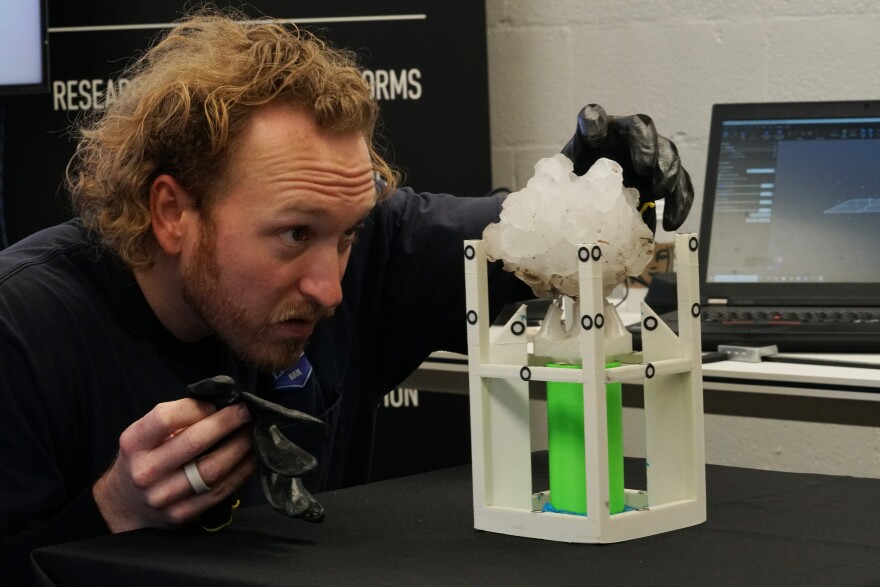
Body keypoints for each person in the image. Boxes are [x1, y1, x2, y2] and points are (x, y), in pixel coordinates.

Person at [0, 10, 693, 583]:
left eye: (346, 235)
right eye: (293, 234)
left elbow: (521, 233)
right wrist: (112, 511)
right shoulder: (22, 329)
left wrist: (592, 188)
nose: (329, 288)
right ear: (172, 212)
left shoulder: (371, 248)